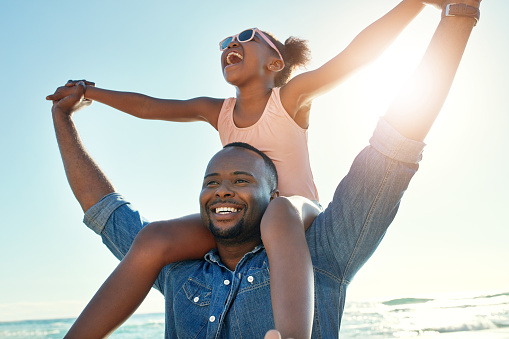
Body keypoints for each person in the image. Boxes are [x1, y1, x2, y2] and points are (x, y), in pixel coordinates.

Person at [50, 0, 482, 337]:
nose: (230, 46)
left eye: (246, 38)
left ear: (275, 63)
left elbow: (353, 58)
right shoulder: (215, 110)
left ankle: (292, 336)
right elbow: (149, 107)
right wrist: (89, 91)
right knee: (154, 237)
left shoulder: (289, 98)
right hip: (244, 218)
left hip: (296, 214)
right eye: (225, 44)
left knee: (276, 213)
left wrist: (413, 5)